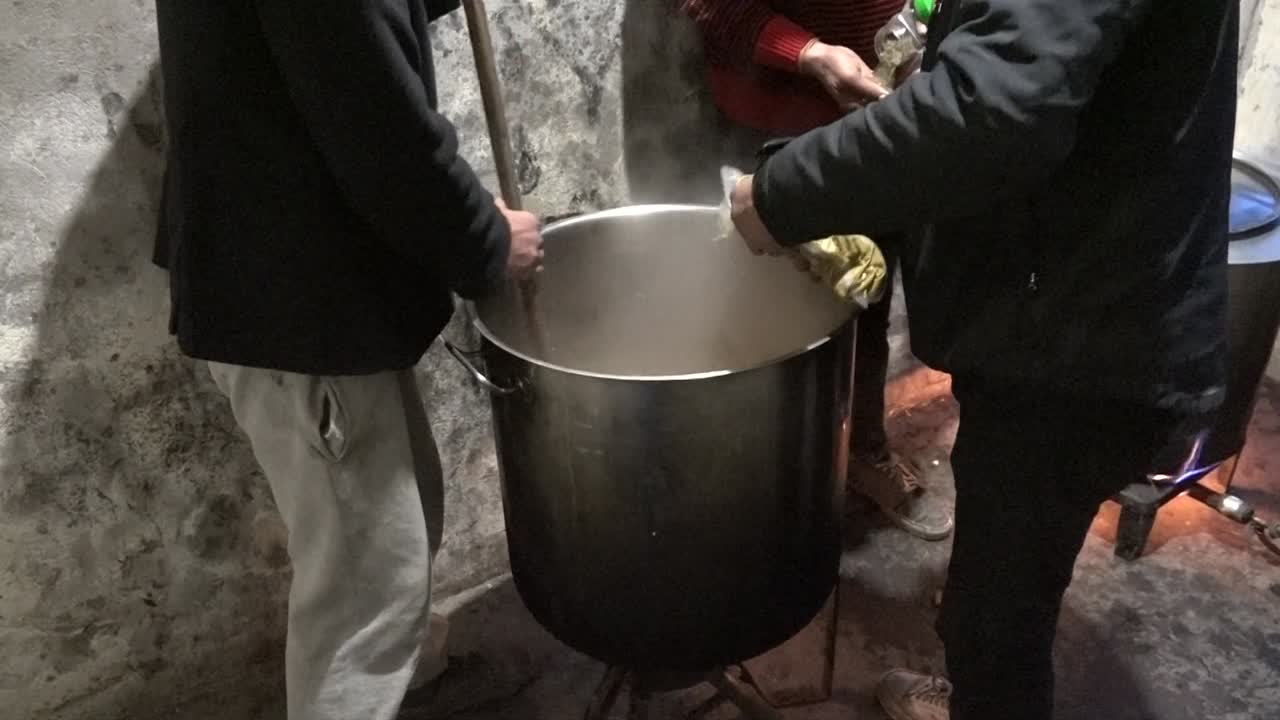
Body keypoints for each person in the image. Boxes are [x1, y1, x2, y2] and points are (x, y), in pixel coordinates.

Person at [728, 1, 1236, 718]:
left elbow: (989, 109)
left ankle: (985, 698)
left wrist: (776, 193)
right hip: (1075, 303)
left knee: (996, 627)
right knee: (1003, 586)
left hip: (1079, 339)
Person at [152, 2, 543, 719]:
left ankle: (418, 683)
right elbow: (380, 129)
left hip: (301, 259)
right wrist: (487, 242)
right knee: (367, 596)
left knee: (397, 520)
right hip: (299, 296)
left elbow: (339, 41)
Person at [680, 0, 954, 541]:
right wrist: (809, 54)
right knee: (763, 299)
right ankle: (747, 475)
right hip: (770, 109)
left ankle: (862, 451)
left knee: (864, 293)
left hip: (876, 101)